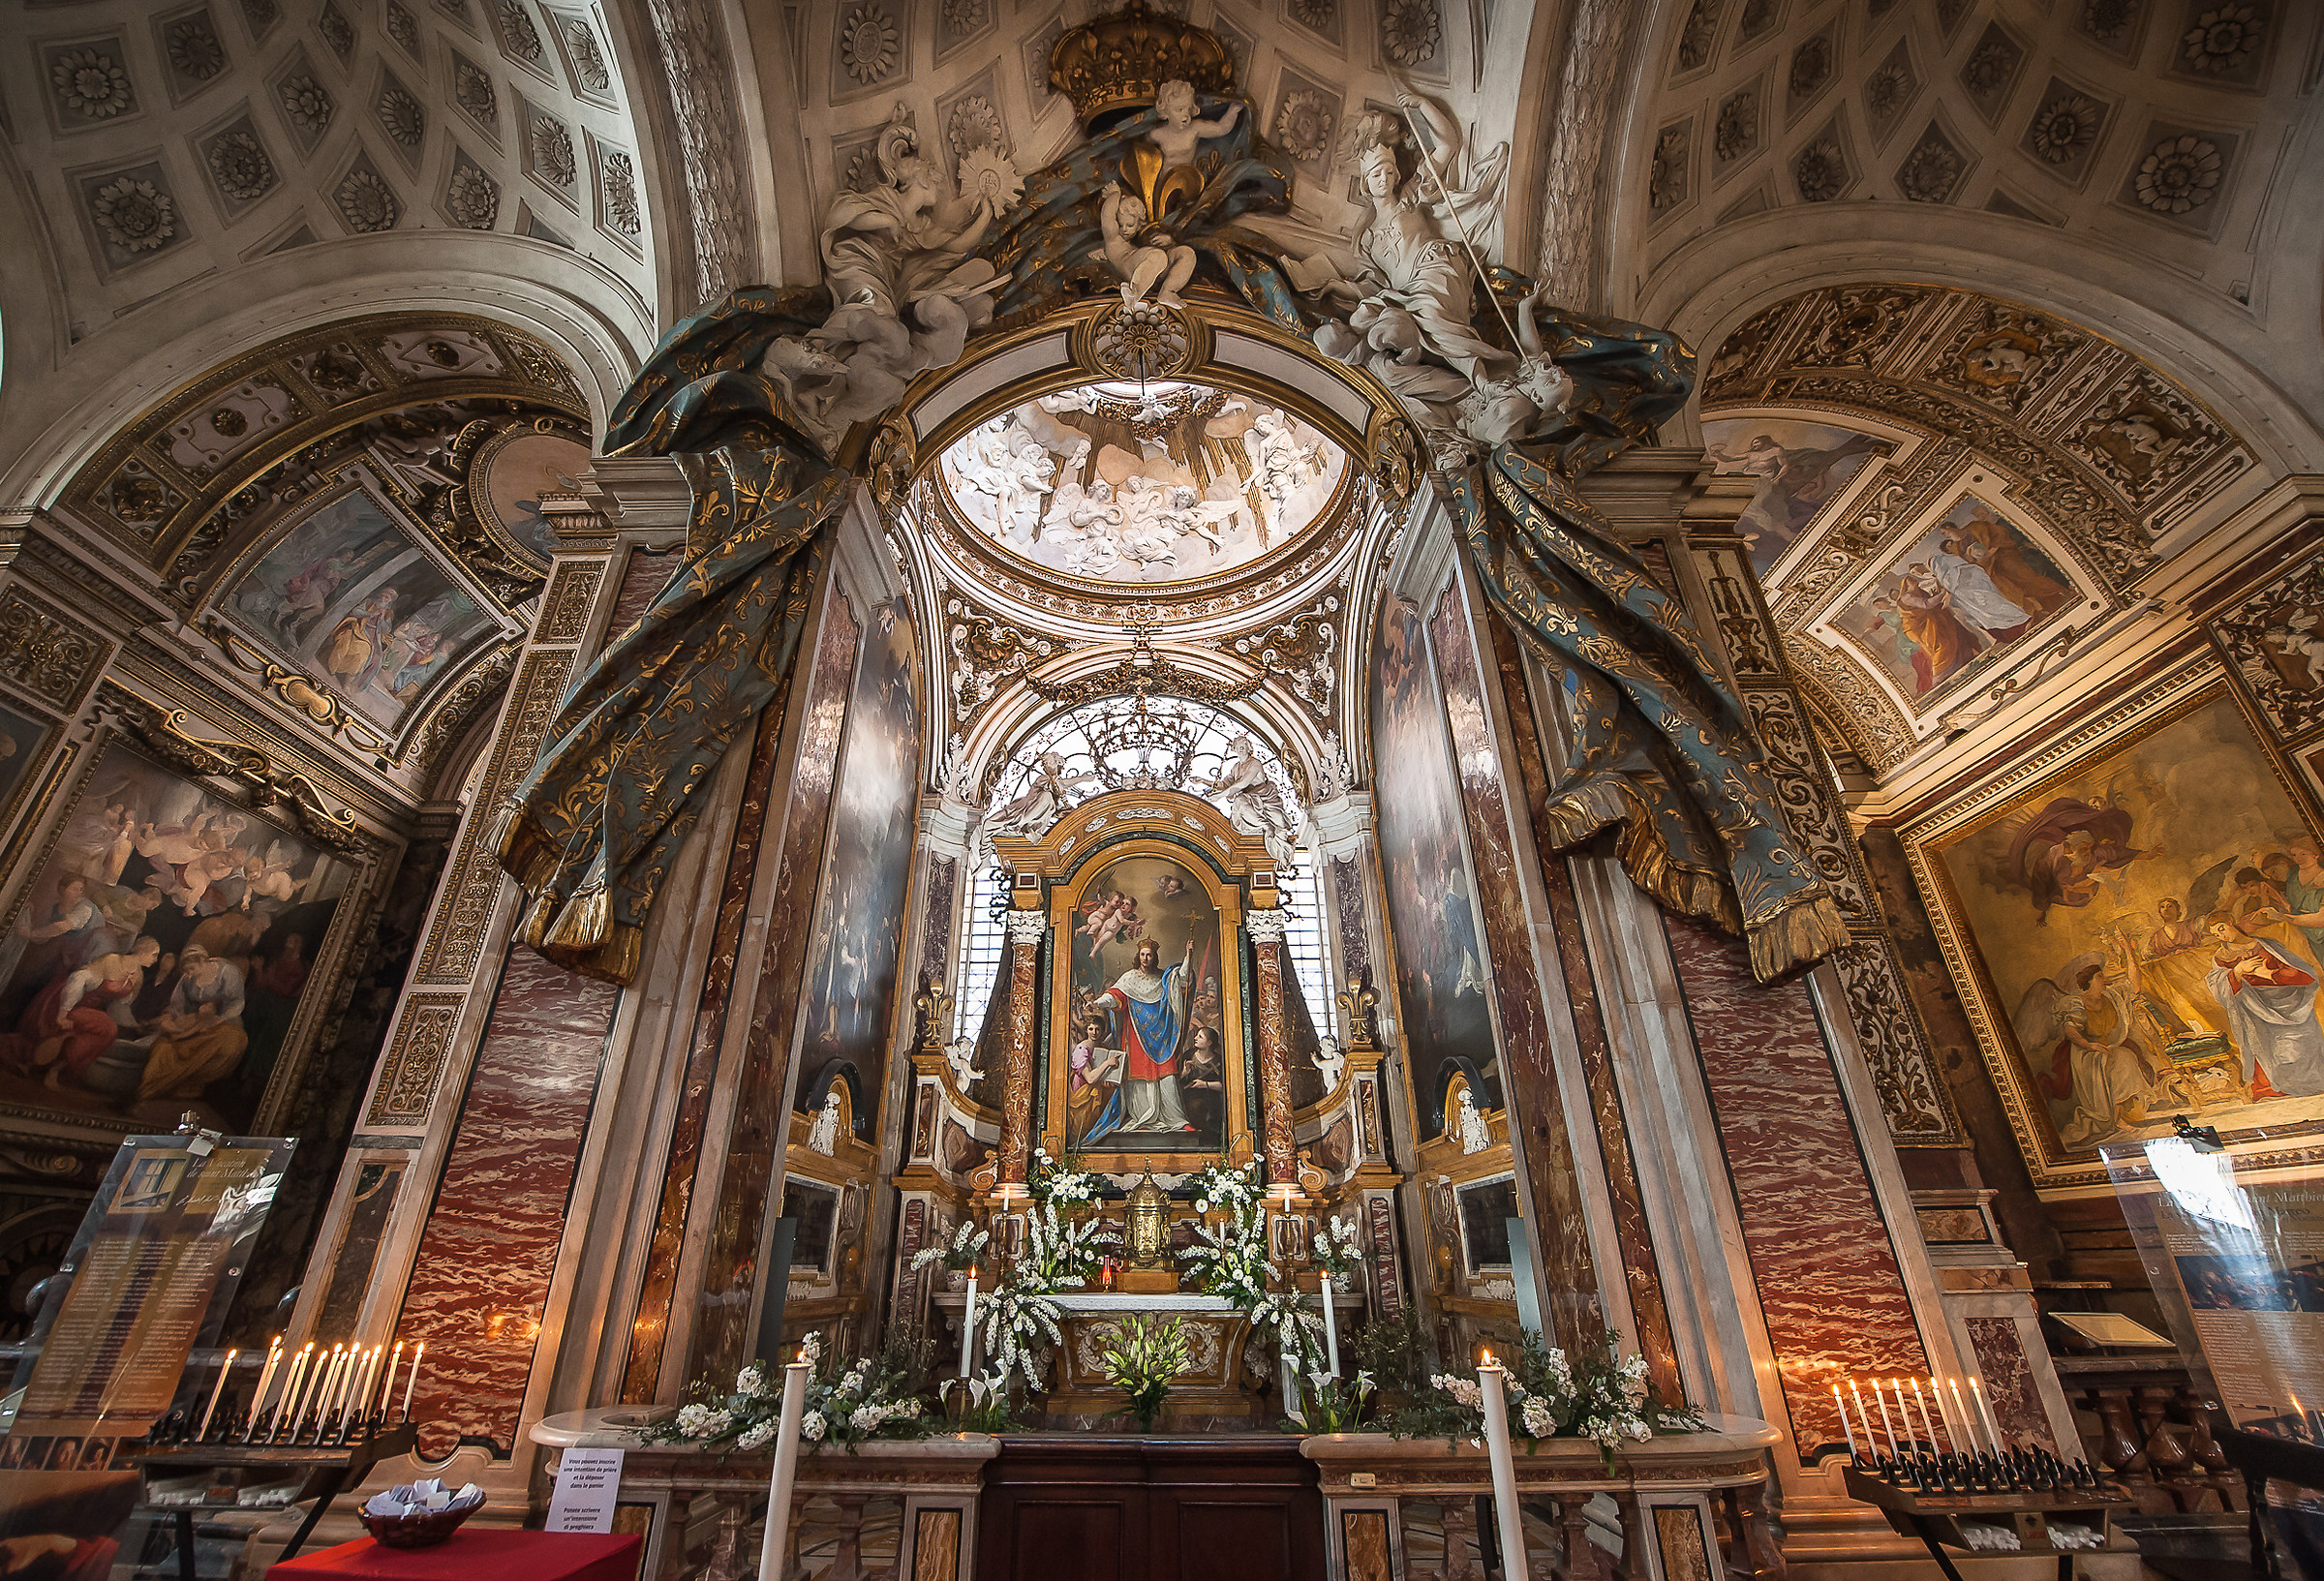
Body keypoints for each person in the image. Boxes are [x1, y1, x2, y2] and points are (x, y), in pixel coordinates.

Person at [2, 935, 159, 1088]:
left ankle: (53, 1069)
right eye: (154, 955)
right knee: (103, 1028)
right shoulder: (113, 961)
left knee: (105, 1031)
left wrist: (133, 1026)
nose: (155, 960)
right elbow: (79, 978)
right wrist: (63, 1013)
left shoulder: (138, 976)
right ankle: (35, 1065)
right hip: (69, 999)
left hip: (91, 1009)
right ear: (143, 951)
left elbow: (120, 1006)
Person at [1100, 937, 1195, 1132]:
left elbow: (1182, 980)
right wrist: (1100, 1002)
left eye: (1149, 955)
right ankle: (1142, 1118)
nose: (1145, 958)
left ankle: (1176, 1120)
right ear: (1138, 956)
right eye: (1142, 954)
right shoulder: (1129, 978)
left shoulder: (1164, 978)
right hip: (1136, 1034)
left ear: (1154, 957)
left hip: (1161, 1037)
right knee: (1138, 1076)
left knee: (1166, 1075)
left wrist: (1188, 955)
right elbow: (1116, 997)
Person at [138, 946, 249, 1101]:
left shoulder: (227, 972)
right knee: (163, 1047)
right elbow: (177, 1003)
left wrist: (218, 1016)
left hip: (225, 1024)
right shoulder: (187, 979)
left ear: (203, 961)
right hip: (195, 1024)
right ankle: (153, 1087)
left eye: (192, 968)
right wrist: (180, 1021)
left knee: (228, 1043)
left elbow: (237, 1003)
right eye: (186, 971)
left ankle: (179, 1084)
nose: (189, 973)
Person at [1067, 1016, 1125, 1148]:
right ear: (1086, 1030)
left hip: (1097, 1092)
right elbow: (1090, 1078)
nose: (1094, 1032)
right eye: (1091, 1029)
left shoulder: (1102, 1047)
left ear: (1102, 1031)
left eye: (1098, 1029)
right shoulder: (1081, 1050)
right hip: (1083, 1093)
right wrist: (1107, 1063)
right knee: (1082, 1126)